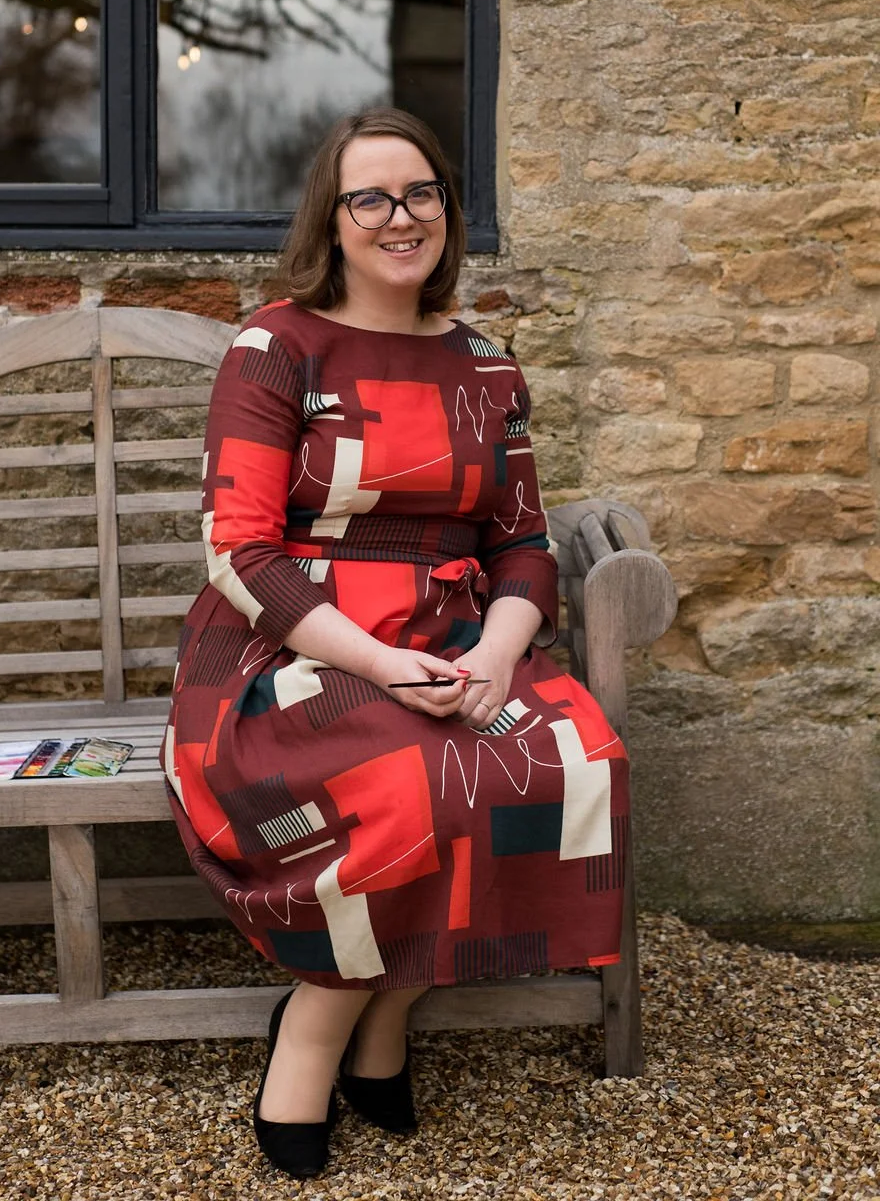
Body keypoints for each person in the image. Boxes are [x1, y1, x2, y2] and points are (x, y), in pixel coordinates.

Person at [161, 107, 630, 1178]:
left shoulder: (486, 368)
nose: (398, 216)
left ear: (446, 212)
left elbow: (521, 545)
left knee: (563, 757)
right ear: (331, 221)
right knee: (410, 773)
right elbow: (238, 548)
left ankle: (388, 1018)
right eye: (368, 197)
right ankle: (319, 1029)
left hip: (455, 638)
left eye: (419, 192)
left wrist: (494, 658)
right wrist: (375, 663)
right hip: (286, 650)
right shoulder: (276, 347)